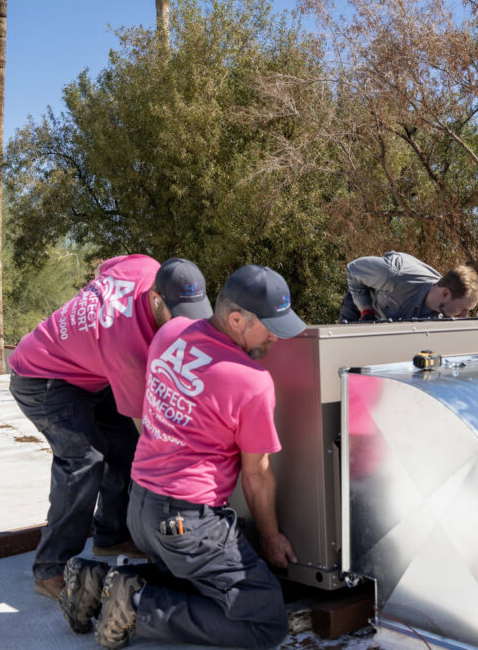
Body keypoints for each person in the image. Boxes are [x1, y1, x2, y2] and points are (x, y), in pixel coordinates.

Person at [58, 265, 305, 650]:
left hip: (140, 508)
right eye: (270, 326)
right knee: (264, 619)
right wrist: (271, 538)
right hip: (188, 522)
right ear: (236, 319)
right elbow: (256, 475)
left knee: (200, 577)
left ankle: (100, 579)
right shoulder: (253, 381)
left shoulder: (171, 333)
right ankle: (139, 607)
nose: (275, 336)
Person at [9, 255, 212, 600]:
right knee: (84, 462)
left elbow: (106, 265)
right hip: (41, 376)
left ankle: (111, 534)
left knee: (124, 449)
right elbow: (148, 431)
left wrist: (89, 315)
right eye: (177, 317)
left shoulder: (146, 267)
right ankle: (51, 568)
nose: (183, 326)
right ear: (155, 299)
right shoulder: (129, 346)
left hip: (90, 372)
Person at [339, 251, 478, 322]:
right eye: (462, 309)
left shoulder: (442, 314)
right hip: (360, 307)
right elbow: (353, 270)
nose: (465, 316)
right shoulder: (393, 274)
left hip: (389, 323)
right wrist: (366, 311)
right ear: (445, 293)